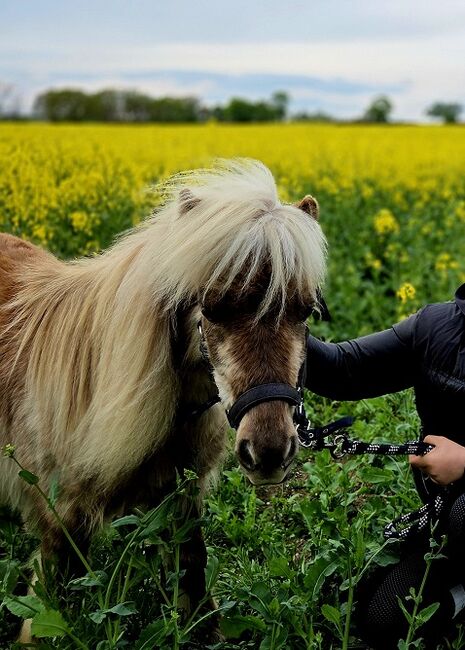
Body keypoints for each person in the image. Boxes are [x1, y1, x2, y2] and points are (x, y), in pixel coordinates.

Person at [305, 283, 465, 649]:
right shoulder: (437, 327)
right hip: (448, 520)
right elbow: (344, 369)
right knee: (384, 619)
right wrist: (276, 315)